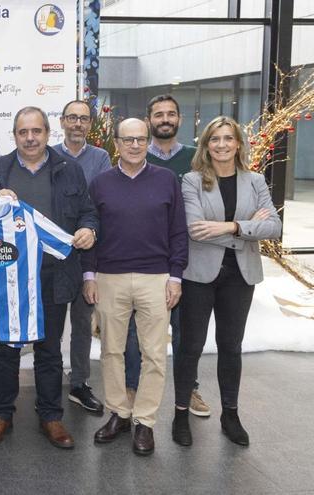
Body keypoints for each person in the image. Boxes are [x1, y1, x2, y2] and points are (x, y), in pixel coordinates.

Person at [0, 106, 98, 449]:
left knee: (49, 349)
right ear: (14, 135)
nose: (30, 138)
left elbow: (87, 211)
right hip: (7, 277)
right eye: (23, 132)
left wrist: (88, 228)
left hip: (54, 276)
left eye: (36, 131)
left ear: (47, 133)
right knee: (6, 349)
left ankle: (51, 416)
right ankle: (1, 414)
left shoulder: (69, 170)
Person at [171, 116, 281, 447]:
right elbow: (195, 228)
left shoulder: (256, 181)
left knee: (231, 347)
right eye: (214, 139)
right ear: (206, 145)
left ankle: (230, 414)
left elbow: (274, 226)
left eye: (228, 138)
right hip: (199, 276)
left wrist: (229, 227)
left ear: (238, 144)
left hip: (240, 276)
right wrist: (247, 227)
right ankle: (179, 414)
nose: (221, 145)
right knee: (190, 346)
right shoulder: (191, 181)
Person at [83, 118, 188, 456]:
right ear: (115, 143)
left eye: (140, 139)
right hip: (110, 278)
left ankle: (145, 421)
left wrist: (176, 276)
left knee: (154, 354)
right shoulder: (100, 184)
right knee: (112, 351)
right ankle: (119, 413)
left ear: (147, 142)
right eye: (127, 139)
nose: (134, 145)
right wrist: (89, 276)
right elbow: (90, 233)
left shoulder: (167, 180)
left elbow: (178, 231)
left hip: (156, 278)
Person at [124, 94, 211, 418]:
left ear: (179, 119)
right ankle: (131, 386)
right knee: (134, 332)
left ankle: (189, 390)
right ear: (148, 121)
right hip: (144, 260)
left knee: (186, 329)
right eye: (158, 114)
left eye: (170, 114)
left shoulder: (195, 158)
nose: (165, 119)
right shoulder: (134, 156)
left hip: (186, 258)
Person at [54, 99, 112, 415]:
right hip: (51, 253)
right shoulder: (50, 156)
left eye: (84, 119)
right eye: (72, 118)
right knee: (48, 322)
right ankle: (47, 381)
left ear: (90, 124)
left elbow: (100, 203)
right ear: (62, 121)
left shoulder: (101, 158)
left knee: (81, 321)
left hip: (86, 253)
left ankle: (79, 383)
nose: (78, 124)